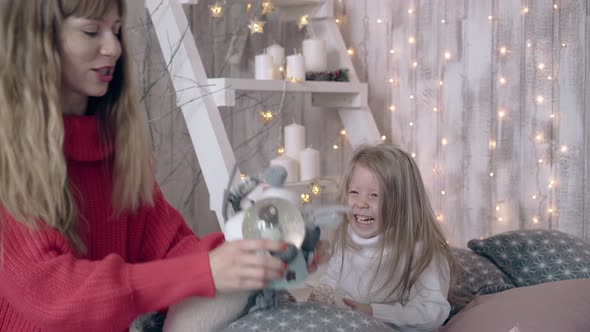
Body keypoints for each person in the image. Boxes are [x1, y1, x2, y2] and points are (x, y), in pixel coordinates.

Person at [0, 1, 289, 331]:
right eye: (91, 31)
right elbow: (54, 297)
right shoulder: (9, 163)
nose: (113, 48)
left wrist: (262, 249)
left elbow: (173, 250)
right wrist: (204, 271)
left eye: (117, 31)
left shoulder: (118, 156)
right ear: (39, 40)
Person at [308, 144, 458, 332]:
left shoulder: (421, 252)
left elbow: (432, 312)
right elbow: (332, 279)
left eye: (375, 195)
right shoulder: (346, 239)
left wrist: (373, 312)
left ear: (403, 203)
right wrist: (322, 297)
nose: (361, 203)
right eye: (354, 192)